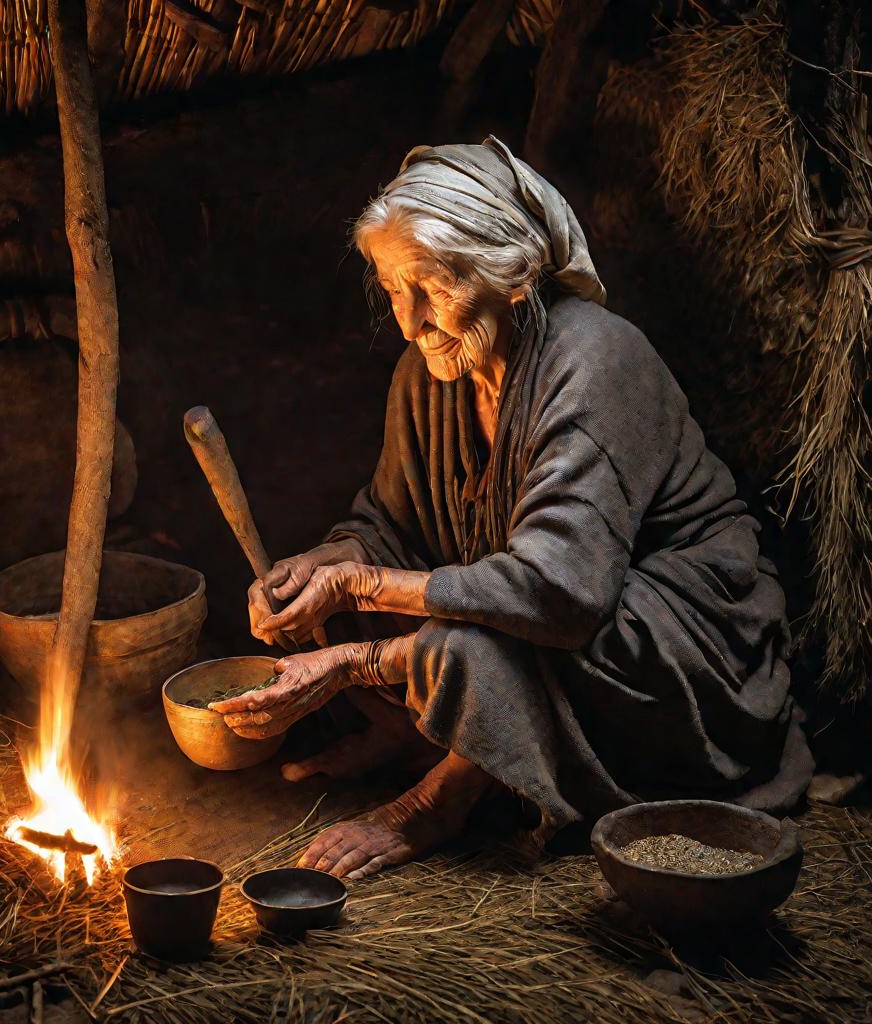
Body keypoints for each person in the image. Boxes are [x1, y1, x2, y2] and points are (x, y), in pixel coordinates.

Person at [210, 137, 814, 880]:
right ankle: (424, 733)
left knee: (473, 645)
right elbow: (388, 526)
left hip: (676, 641)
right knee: (350, 591)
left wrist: (356, 651)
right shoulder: (429, 372)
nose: (410, 321)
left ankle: (438, 801)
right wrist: (327, 567)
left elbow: (563, 595)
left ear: (514, 274)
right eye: (393, 289)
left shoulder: (596, 359)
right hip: (556, 606)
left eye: (430, 286)